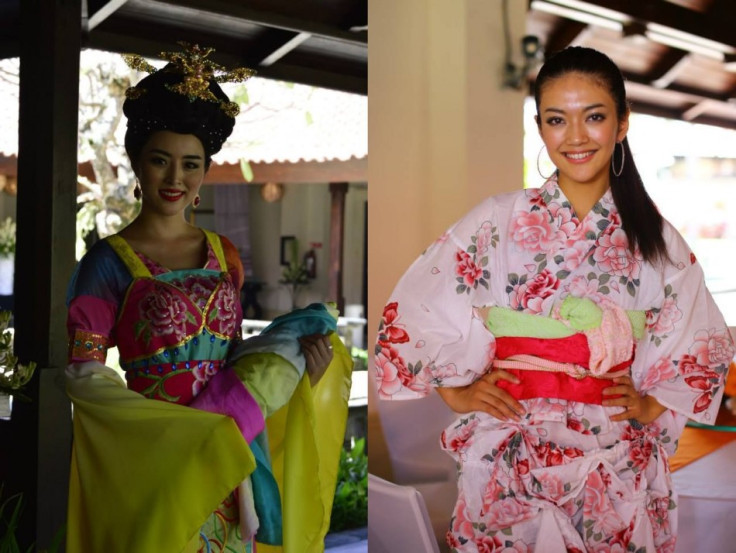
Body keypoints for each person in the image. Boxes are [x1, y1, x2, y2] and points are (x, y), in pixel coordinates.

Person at [374, 46, 734, 552]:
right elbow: (416, 309)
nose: (577, 136)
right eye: (557, 120)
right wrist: (456, 392)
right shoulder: (495, 219)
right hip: (509, 443)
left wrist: (652, 403)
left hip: (612, 449)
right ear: (540, 128)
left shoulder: (658, 239)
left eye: (594, 117)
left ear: (622, 124)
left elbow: (704, 338)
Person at [65, 43, 352, 553]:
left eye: (191, 164)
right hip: (158, 453)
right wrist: (162, 429)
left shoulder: (225, 255)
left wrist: (298, 372)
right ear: (136, 161)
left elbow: (233, 360)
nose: (176, 178)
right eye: (160, 160)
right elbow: (84, 377)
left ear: (204, 171)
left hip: (228, 453)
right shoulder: (106, 263)